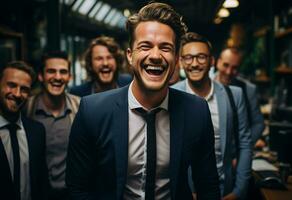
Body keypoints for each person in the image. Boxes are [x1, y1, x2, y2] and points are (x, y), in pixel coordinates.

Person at [66, 2, 220, 200]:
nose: (155, 56)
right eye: (145, 46)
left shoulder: (196, 111)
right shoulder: (92, 111)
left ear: (176, 58)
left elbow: (208, 186)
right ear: (130, 55)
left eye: (165, 48)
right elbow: (77, 188)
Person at [172, 32, 252, 199]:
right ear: (180, 62)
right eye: (188, 58)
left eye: (201, 57)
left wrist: (239, 191)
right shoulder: (171, 96)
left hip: (226, 189)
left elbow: (245, 143)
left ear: (212, 61)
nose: (194, 64)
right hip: (186, 192)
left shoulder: (234, 95)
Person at [24, 51, 80, 200]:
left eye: (63, 72)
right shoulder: (26, 108)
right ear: (41, 76)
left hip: (71, 195)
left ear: (70, 77)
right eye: (51, 71)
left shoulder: (80, 107)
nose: (57, 77)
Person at [0, 61, 48, 200]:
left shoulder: (37, 131)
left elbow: (42, 183)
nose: (17, 94)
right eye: (11, 85)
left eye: (24, 89)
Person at [215, 47, 265, 144]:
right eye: (226, 65)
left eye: (235, 68)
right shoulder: (205, 84)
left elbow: (258, 124)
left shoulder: (248, 89)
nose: (229, 72)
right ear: (218, 62)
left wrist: (243, 147)